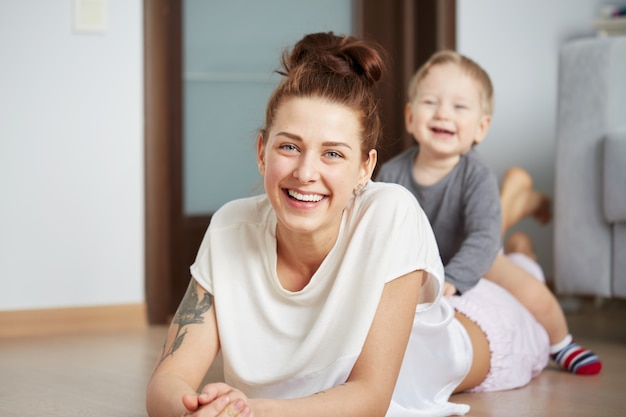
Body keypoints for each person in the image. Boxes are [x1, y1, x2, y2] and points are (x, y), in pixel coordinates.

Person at [145, 32, 554, 417]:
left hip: (481, 333)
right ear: (261, 151)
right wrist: (196, 410)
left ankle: (520, 245)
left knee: (516, 283)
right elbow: (167, 380)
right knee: (506, 258)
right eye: (289, 146)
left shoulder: (391, 211)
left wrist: (259, 411)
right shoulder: (228, 229)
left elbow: (371, 398)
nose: (306, 172)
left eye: (333, 154)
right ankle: (518, 235)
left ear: (365, 168)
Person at [376, 50, 602, 376]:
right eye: (430, 102)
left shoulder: (476, 174)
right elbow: (381, 228)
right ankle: (522, 207)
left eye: (459, 106)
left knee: (531, 292)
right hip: (423, 260)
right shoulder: (392, 173)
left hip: (476, 254)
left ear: (481, 127)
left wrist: (453, 278)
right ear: (410, 117)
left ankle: (561, 342)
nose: (443, 113)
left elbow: (483, 235)